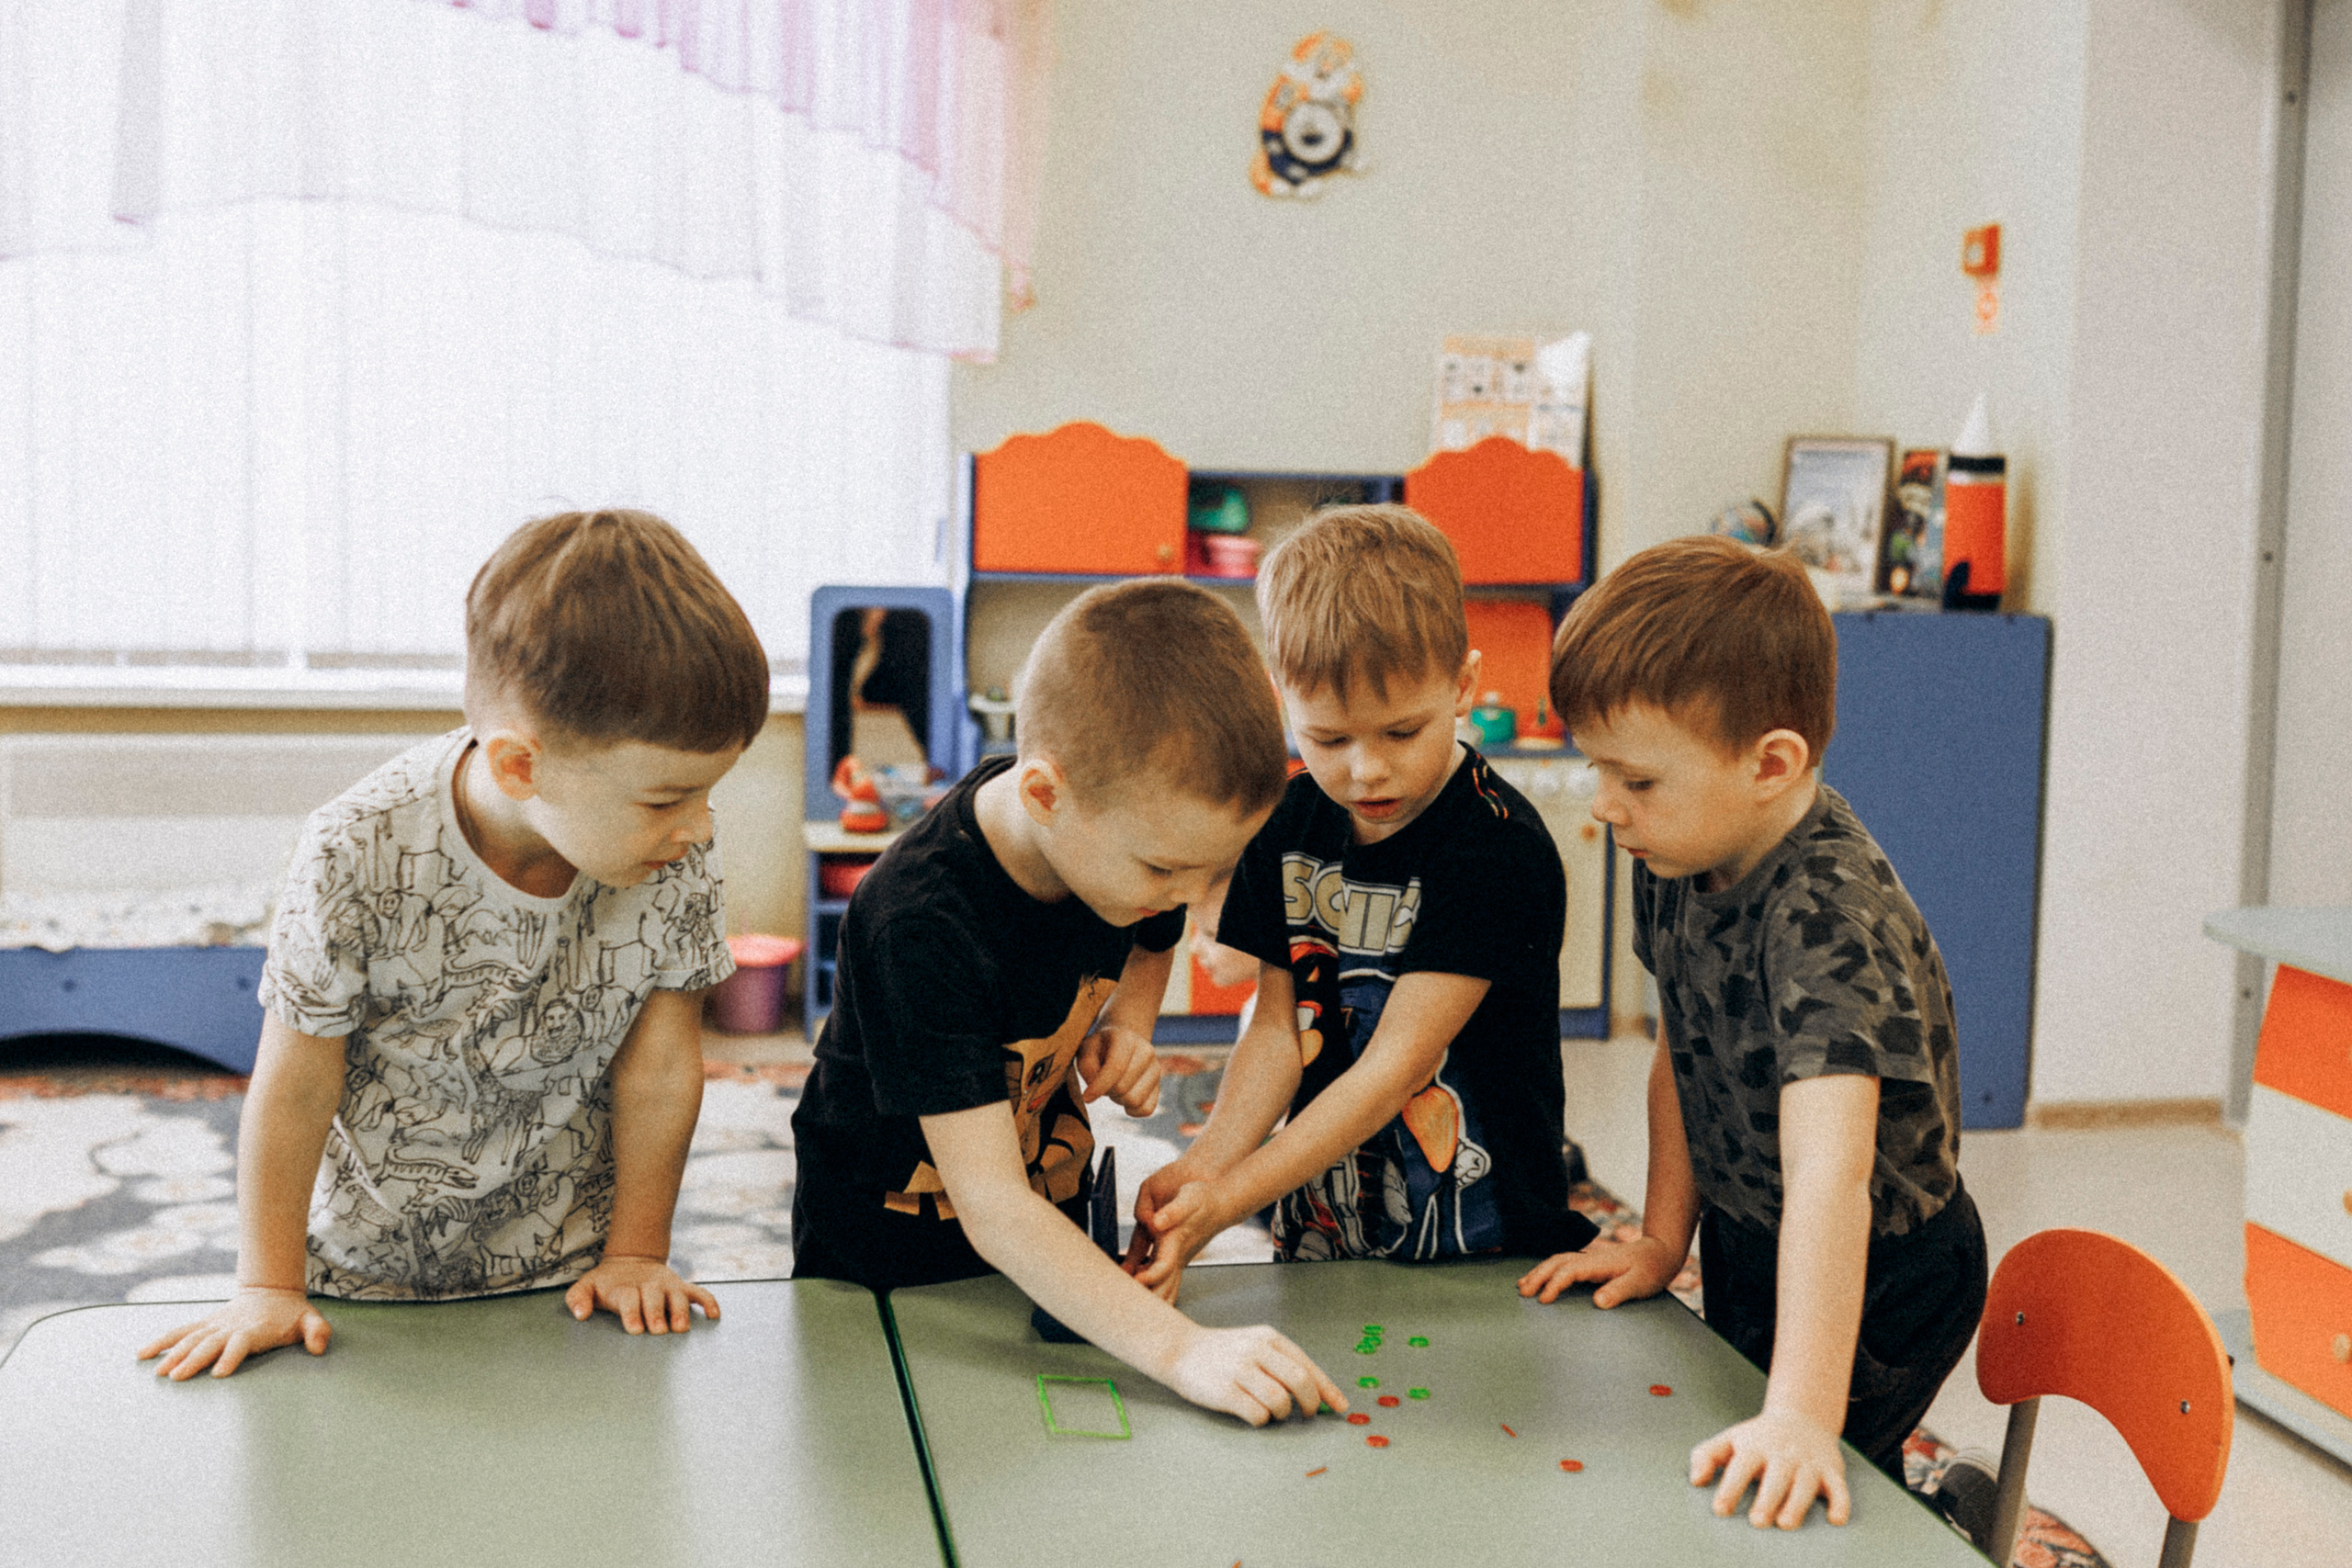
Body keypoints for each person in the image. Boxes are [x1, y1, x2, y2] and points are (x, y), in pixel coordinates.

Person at [138, 510, 765, 1379]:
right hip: (365, 1278)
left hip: (574, 1278)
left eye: (707, 794)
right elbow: (295, 1081)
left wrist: (636, 1251)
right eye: (666, 798)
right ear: (520, 767)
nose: (698, 827)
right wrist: (267, 1285)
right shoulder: (353, 849)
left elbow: (659, 1068)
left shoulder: (675, 847)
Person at [790, 580, 1348, 1427]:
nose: (1190, 903)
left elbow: (1154, 933)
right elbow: (993, 1207)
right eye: (1166, 873)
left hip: (1043, 1220)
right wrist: (1182, 1348)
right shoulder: (918, 921)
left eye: (1210, 872)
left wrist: (1131, 1019)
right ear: (1044, 794)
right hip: (885, 1257)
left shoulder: (1121, 830)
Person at [1519, 535, 1986, 1530]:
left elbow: (1833, 1177)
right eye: (1599, 771)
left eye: (1635, 781)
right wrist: (1659, 1237)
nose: (1605, 807)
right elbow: (1679, 1051)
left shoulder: (1826, 922)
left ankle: (1941, 1529)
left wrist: (1803, 1413)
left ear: (1769, 764)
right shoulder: (1677, 856)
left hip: (1882, 1268)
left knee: (1805, 1491)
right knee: (1736, 1455)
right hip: (1753, 1234)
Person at [1131, 505, 1598, 1294]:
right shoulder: (1291, 818)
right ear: (1282, 701)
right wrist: (1204, 1164)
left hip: (1482, 1245)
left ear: (1464, 686)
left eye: (1400, 733)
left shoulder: (1495, 846)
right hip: (1328, 1229)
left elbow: (1394, 1069)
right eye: (1330, 739)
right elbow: (1278, 1029)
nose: (1365, 771)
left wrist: (1227, 1202)